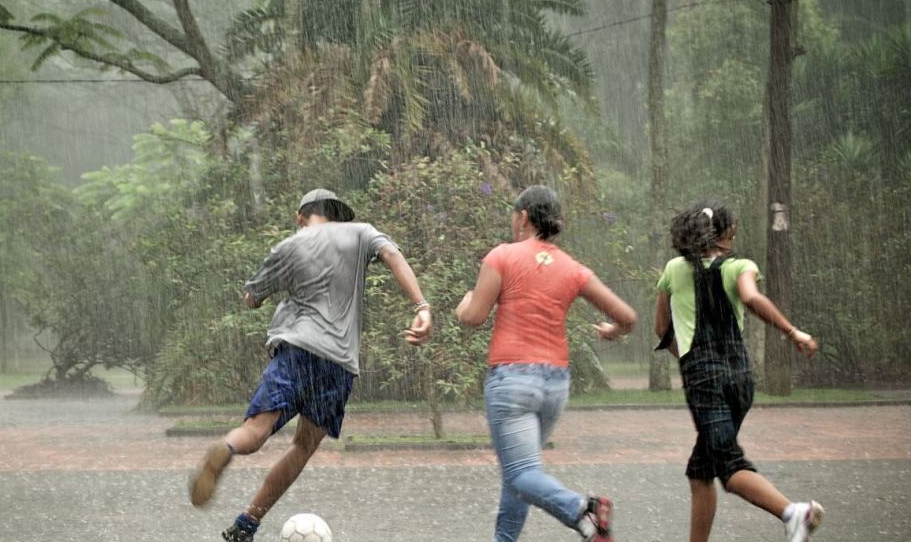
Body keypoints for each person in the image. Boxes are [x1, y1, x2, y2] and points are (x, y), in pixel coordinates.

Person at [188, 189, 432, 542]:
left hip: (296, 351)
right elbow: (392, 255)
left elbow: (252, 298)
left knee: (256, 431)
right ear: (338, 215)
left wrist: (273, 288)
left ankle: (226, 448)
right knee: (303, 447)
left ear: (300, 217)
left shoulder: (290, 246)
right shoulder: (361, 233)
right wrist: (421, 306)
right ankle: (247, 523)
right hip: (338, 364)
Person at [456, 185, 637, 542]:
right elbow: (628, 317)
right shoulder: (572, 268)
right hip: (555, 383)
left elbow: (474, 316)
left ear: (523, 217)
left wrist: (463, 304)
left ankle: (583, 510)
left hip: (512, 380)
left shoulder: (502, 256)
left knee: (520, 473)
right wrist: (613, 331)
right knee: (520, 473)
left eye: (514, 216)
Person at [654, 201, 823, 542]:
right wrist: (792, 332)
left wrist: (690, 360)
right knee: (700, 471)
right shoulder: (741, 266)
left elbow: (662, 329)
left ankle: (793, 513)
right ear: (727, 231)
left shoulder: (674, 269)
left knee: (729, 466)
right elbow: (751, 298)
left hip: (704, 381)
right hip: (741, 379)